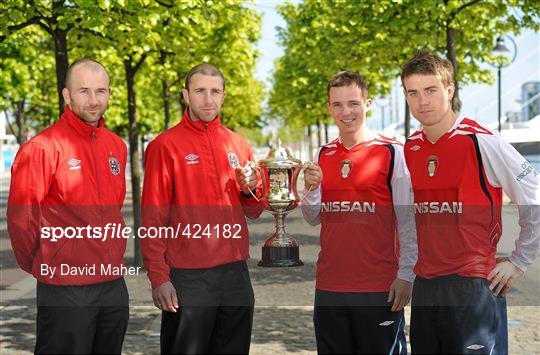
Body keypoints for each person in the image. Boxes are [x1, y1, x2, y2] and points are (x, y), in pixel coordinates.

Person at [401, 50, 540, 354]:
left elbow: (534, 192)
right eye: (413, 92)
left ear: (449, 90)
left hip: (472, 286)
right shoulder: (410, 147)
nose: (422, 101)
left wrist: (519, 261)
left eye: (430, 90)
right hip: (426, 286)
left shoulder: (482, 140)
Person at [7, 58, 129, 354]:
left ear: (110, 93)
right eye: (83, 91)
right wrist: (46, 262)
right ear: (66, 95)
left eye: (100, 91)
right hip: (64, 288)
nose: (93, 100)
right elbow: (22, 221)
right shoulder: (41, 148)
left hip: (113, 285)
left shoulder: (116, 146)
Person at [141, 63, 263, 354]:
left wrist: (251, 189)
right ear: (186, 95)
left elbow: (255, 210)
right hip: (188, 276)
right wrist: (159, 277)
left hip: (235, 274)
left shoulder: (237, 143)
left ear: (223, 95)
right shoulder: (164, 145)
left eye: (214, 92)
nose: (207, 99)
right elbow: (152, 217)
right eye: (199, 91)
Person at [301, 70, 417, 354]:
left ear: (367, 103)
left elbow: (408, 221)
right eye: (337, 104)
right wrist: (312, 189)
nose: (346, 112)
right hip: (330, 285)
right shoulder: (323, 154)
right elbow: (313, 216)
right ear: (329, 107)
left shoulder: (392, 152)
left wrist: (407, 275)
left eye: (353, 103)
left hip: (377, 286)